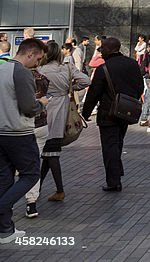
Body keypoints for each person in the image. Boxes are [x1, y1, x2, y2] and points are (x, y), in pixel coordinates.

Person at [0, 38, 50, 242]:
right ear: (29, 54)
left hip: (1, 132)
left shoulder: (2, 69)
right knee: (31, 174)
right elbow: (29, 108)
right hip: (19, 133)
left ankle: (5, 230)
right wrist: (42, 103)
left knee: (4, 178)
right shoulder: (21, 72)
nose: (38, 63)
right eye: (37, 58)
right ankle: (2, 211)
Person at [29, 41, 90, 208]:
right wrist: (71, 87)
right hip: (63, 109)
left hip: (46, 109)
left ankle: (59, 189)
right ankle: (41, 186)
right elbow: (86, 80)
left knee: (51, 152)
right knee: (50, 151)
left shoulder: (41, 70)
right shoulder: (67, 67)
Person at [81, 37, 144, 193]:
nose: (101, 52)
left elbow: (93, 94)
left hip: (108, 113)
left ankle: (113, 181)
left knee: (109, 146)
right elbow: (140, 87)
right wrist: (131, 100)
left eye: (102, 49)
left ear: (110, 49)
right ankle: (117, 170)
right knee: (118, 142)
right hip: (126, 110)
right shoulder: (132, 64)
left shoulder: (104, 68)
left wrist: (85, 114)